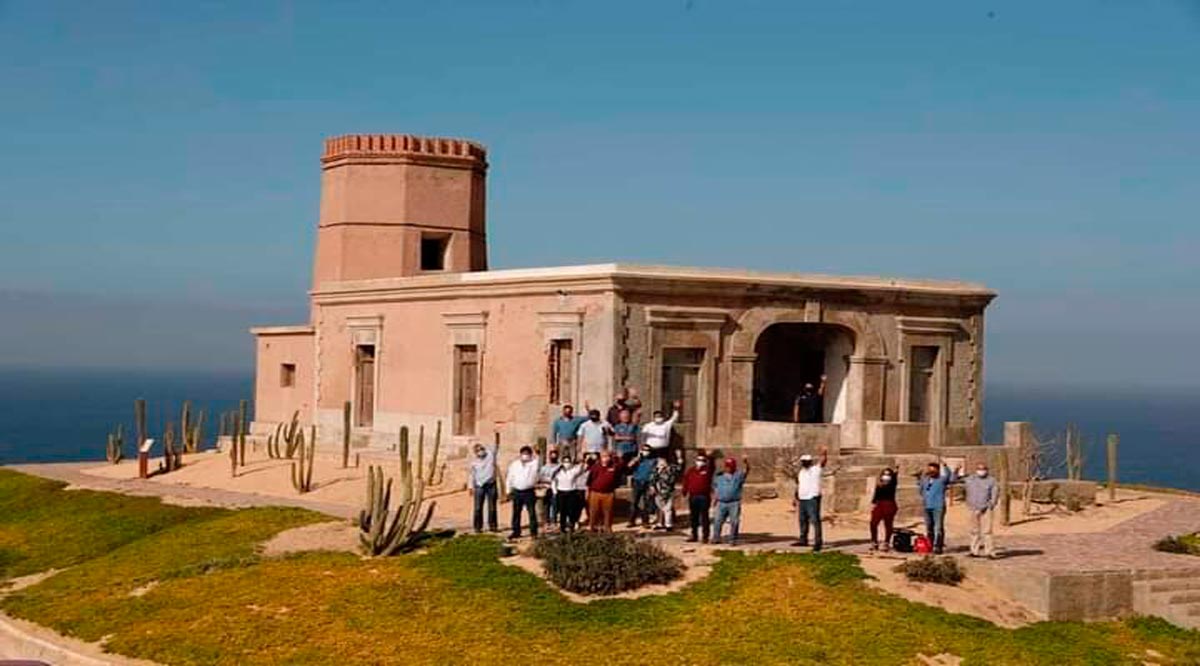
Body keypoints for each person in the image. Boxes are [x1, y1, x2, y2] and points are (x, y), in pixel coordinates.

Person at [917, 461, 959, 554]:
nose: (930, 470)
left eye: (933, 468)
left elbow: (951, 478)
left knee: (938, 527)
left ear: (937, 470)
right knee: (929, 527)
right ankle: (930, 545)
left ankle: (938, 546)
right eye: (929, 468)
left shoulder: (942, 480)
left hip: (938, 506)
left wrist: (945, 466)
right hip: (927, 507)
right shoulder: (925, 480)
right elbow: (921, 490)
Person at [793, 446, 828, 551]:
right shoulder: (801, 472)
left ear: (810, 462)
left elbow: (823, 462)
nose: (805, 463)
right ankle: (803, 539)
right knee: (802, 520)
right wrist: (795, 498)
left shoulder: (815, 469)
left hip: (812, 497)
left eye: (807, 461)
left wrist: (824, 453)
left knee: (815, 520)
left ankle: (818, 542)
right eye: (803, 461)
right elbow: (799, 485)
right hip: (802, 498)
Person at [964, 462, 999, 558]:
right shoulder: (970, 479)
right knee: (974, 531)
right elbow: (954, 479)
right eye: (979, 469)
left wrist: (991, 505)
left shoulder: (992, 481)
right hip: (972, 508)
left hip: (986, 509)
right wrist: (956, 470)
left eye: (983, 469)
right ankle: (974, 551)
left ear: (987, 470)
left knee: (987, 531)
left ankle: (990, 552)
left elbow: (994, 495)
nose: (981, 471)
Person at [505, 445, 541, 539]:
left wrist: (536, 452)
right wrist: (508, 491)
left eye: (527, 454)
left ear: (530, 455)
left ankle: (534, 532)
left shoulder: (533, 464)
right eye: (523, 454)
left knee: (532, 513)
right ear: (520, 454)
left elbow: (538, 458)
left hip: (529, 492)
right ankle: (516, 531)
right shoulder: (514, 464)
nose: (525, 456)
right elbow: (509, 478)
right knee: (516, 512)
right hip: (517, 492)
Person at [713, 456, 750, 545]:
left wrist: (746, 462)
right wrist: (715, 499)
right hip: (721, 502)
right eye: (727, 466)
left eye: (730, 466)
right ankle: (716, 537)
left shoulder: (738, 476)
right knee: (717, 520)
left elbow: (746, 471)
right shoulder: (719, 476)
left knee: (734, 521)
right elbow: (715, 488)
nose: (728, 468)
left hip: (734, 502)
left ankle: (732, 539)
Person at [586, 449, 623, 531]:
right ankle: (593, 528)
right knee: (594, 512)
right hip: (595, 493)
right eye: (604, 456)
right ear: (601, 457)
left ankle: (607, 528)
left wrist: (617, 457)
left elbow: (621, 468)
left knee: (608, 512)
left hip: (608, 493)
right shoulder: (595, 467)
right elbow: (590, 480)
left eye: (608, 456)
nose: (606, 458)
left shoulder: (614, 466)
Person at [681, 450, 714, 543]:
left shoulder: (708, 470)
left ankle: (705, 537)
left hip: (704, 497)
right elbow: (686, 481)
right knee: (693, 517)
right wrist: (684, 491)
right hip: (693, 496)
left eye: (702, 460)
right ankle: (694, 535)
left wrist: (710, 457)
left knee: (704, 517)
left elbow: (712, 465)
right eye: (698, 460)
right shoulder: (691, 471)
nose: (700, 462)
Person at [468, 439, 499, 533]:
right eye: (478, 450)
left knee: (492, 507)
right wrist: (470, 487)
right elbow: (471, 475)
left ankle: (493, 526)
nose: (480, 451)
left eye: (481, 449)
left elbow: (496, 444)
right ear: (475, 453)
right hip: (479, 485)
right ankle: (477, 527)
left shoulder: (490, 455)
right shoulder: (474, 462)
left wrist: (497, 433)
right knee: (478, 507)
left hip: (491, 485)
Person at [551, 453, 587, 532]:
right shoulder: (558, 472)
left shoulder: (574, 470)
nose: (567, 463)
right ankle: (562, 528)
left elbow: (582, 467)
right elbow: (553, 481)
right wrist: (555, 492)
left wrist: (582, 459)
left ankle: (571, 527)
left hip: (571, 493)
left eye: (568, 461)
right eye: (565, 461)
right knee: (562, 512)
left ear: (571, 462)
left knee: (571, 511)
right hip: (561, 493)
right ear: (562, 462)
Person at [626, 445, 657, 528]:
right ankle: (631, 521)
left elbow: (655, 471)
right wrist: (637, 458)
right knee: (634, 502)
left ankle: (645, 521)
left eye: (647, 450)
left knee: (646, 503)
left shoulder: (653, 460)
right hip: (637, 482)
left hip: (648, 482)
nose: (645, 452)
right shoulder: (637, 460)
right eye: (644, 450)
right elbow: (629, 466)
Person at [651, 451, 683, 530]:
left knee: (668, 509)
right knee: (659, 509)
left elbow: (679, 468)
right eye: (659, 462)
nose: (660, 464)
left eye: (662, 462)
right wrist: (652, 487)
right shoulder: (656, 470)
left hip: (668, 492)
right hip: (658, 492)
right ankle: (659, 523)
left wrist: (679, 457)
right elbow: (652, 480)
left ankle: (668, 524)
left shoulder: (671, 469)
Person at [869, 467, 898, 552]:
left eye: (888, 474)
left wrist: (896, 471)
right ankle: (874, 541)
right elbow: (876, 494)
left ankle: (886, 542)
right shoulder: (879, 484)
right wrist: (873, 503)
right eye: (884, 474)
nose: (886, 476)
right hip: (879, 504)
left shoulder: (892, 483)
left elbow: (895, 477)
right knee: (873, 523)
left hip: (889, 504)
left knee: (888, 524)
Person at [538, 449, 563, 530]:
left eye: (555, 455)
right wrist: (546, 481)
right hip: (547, 488)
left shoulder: (560, 467)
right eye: (552, 455)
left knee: (555, 506)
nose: (553, 457)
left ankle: (554, 522)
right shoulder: (545, 467)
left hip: (556, 489)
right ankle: (546, 522)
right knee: (546, 506)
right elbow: (540, 477)